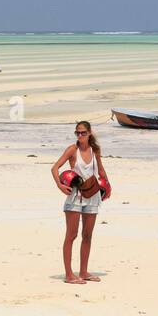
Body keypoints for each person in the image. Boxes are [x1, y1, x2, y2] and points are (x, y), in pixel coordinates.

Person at [51, 120, 110, 284]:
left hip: (92, 194)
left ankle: (83, 272)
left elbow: (101, 169)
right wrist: (60, 186)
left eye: (83, 133)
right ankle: (69, 274)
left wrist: (107, 185)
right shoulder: (72, 149)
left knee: (87, 235)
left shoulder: (95, 150)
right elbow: (54, 168)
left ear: (89, 133)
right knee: (72, 235)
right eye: (77, 133)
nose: (80, 135)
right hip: (75, 195)